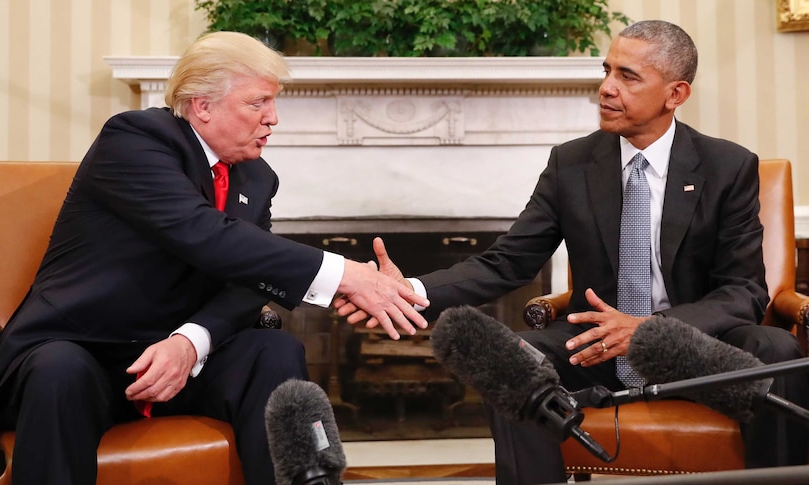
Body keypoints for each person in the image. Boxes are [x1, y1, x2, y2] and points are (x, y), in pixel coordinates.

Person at [335, 20, 808, 484]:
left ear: (675, 94)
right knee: (511, 358)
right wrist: (410, 290)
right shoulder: (572, 163)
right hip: (593, 348)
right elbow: (508, 261)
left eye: (627, 76)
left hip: (696, 347)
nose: (606, 88)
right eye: (606, 71)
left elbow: (743, 292)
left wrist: (650, 331)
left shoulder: (727, 166)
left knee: (777, 347)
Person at [0, 31, 429, 485]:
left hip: (178, 362)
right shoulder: (135, 140)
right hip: (82, 350)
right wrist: (346, 275)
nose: (273, 119)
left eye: (273, 104)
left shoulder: (256, 178)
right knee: (60, 370)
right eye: (258, 103)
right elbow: (204, 234)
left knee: (275, 351)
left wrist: (190, 342)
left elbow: (248, 279)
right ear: (203, 105)